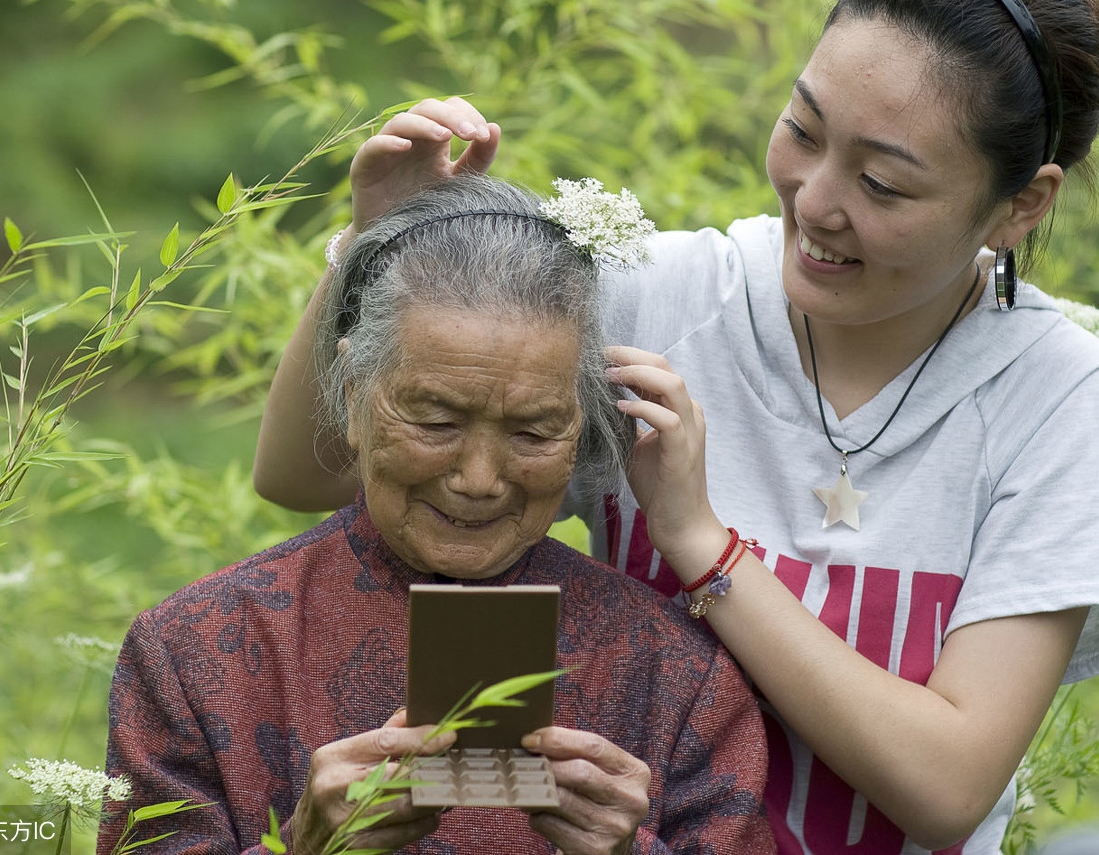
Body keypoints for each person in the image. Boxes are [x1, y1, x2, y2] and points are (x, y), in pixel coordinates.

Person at [252, 0, 1099, 852]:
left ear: (1021, 205)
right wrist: (372, 242)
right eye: (804, 131)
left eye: (882, 184)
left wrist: (702, 545)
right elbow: (306, 472)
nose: (815, 200)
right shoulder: (655, 295)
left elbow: (947, 787)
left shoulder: (1058, 399)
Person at [100, 176, 775, 855]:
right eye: (435, 421)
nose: (479, 480)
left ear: (584, 424)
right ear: (353, 393)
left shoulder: (676, 677)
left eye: (533, 431)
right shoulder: (193, 653)